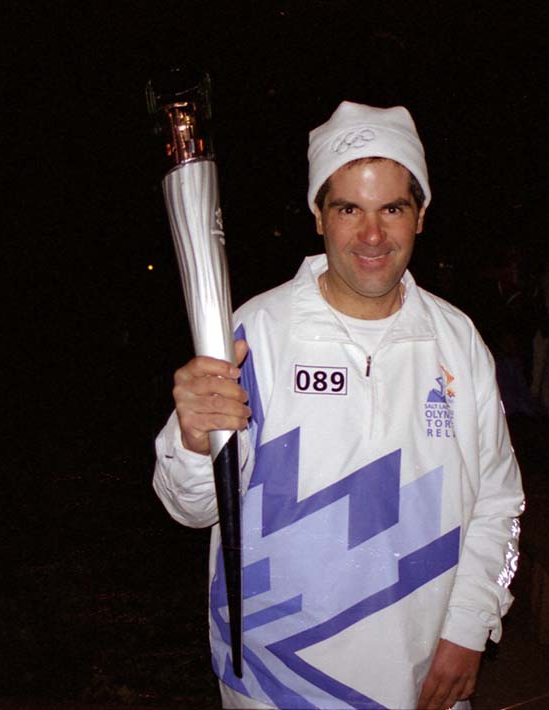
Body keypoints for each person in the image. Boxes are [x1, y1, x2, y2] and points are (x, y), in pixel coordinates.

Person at [153, 101, 525, 710]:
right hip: (275, 685)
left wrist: (469, 626)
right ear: (318, 217)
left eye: (393, 209)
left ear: (421, 216)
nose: (372, 235)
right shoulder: (257, 333)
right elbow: (190, 509)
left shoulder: (457, 342)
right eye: (349, 208)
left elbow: (499, 501)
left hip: (420, 679)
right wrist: (194, 445)